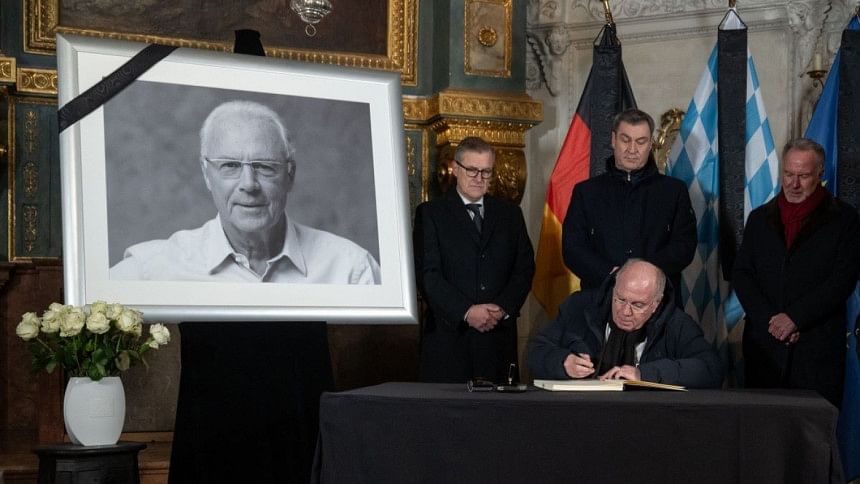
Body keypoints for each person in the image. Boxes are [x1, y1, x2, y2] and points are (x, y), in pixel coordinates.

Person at [110, 100, 380, 283]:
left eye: (264, 166)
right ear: (207, 174)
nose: (249, 184)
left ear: (290, 175)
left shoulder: (351, 270)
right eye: (230, 165)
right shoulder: (150, 269)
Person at [733, 138, 860, 407]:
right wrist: (772, 322)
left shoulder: (845, 220)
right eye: (789, 174)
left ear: (820, 174)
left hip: (816, 351)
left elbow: (842, 280)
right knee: (762, 426)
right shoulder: (759, 219)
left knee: (813, 429)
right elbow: (743, 275)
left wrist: (795, 318)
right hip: (764, 349)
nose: (794, 184)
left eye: (803, 176)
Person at [413, 137, 535, 383]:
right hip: (449, 341)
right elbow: (428, 275)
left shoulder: (511, 214)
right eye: (472, 170)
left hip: (498, 341)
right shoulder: (431, 213)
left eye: (486, 171)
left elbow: (524, 269)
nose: (479, 178)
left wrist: (502, 308)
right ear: (455, 168)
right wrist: (467, 311)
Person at [562, 109, 696, 302]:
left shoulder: (674, 191)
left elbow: (684, 246)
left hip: (660, 302)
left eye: (641, 142)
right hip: (600, 299)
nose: (632, 149)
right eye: (625, 140)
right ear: (613, 140)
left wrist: (643, 274)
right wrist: (611, 275)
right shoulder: (586, 192)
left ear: (651, 144)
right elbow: (573, 248)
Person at [528, 259, 722, 388]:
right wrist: (563, 362)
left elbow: (711, 368)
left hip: (648, 418)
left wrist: (644, 375)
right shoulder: (579, 307)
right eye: (620, 299)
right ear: (614, 288)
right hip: (584, 413)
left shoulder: (675, 323)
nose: (625, 312)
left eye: (638, 305)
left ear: (656, 304)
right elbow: (536, 351)